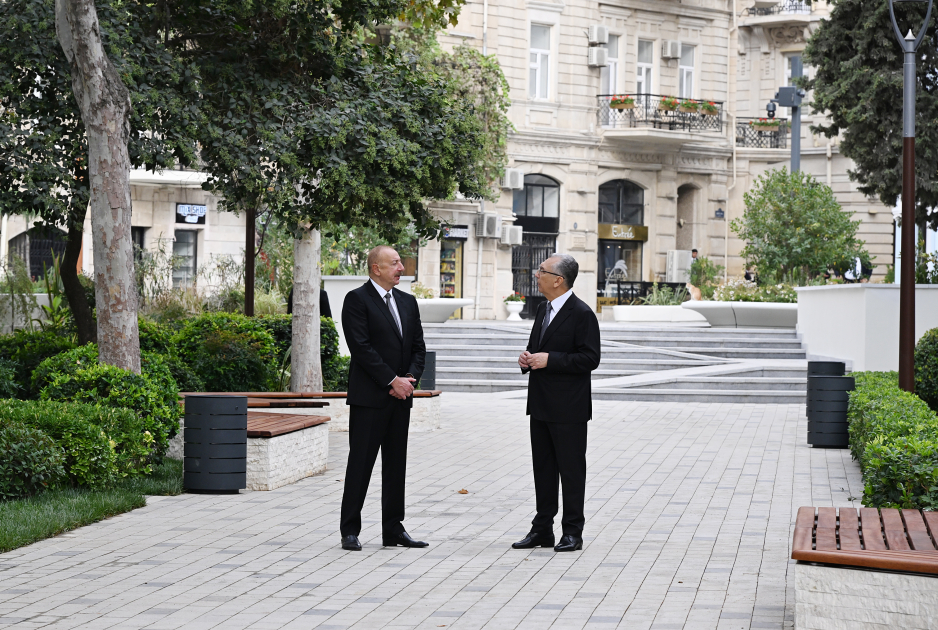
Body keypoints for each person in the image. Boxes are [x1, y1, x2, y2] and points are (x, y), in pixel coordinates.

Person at [339, 245, 427, 551]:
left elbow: (418, 346)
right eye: (395, 263)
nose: (401, 267)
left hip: (400, 398)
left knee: (396, 466)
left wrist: (409, 381)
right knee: (360, 464)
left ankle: (393, 530)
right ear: (376, 268)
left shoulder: (408, 301)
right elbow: (361, 348)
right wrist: (392, 380)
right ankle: (350, 529)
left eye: (400, 263)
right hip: (370, 399)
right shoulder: (356, 300)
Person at [514, 253, 601, 552]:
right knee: (543, 469)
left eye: (542, 270)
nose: (536, 274)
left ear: (558, 279)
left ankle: (573, 532)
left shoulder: (582, 313)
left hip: (569, 408)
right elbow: (535, 348)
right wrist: (527, 359)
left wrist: (549, 359)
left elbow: (590, 358)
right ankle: (542, 530)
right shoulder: (542, 309)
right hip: (540, 404)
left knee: (571, 471)